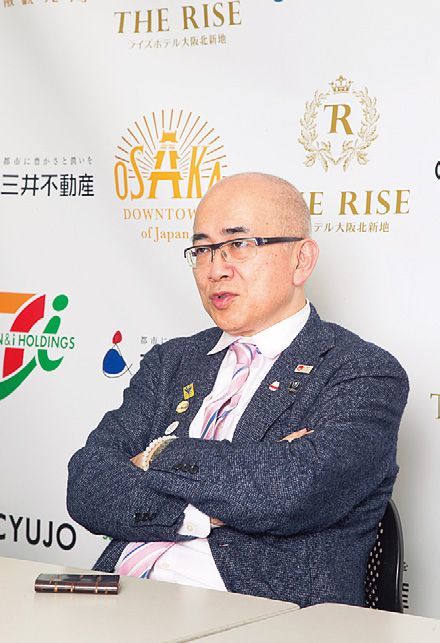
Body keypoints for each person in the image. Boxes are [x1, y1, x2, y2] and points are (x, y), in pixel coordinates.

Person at [67, 172, 409, 607]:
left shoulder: (362, 372)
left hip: (261, 614)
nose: (216, 269)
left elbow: (289, 491)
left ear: (301, 260)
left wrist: (155, 454)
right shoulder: (171, 362)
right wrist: (205, 508)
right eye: (203, 249)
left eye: (240, 244)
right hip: (117, 596)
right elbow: (87, 485)